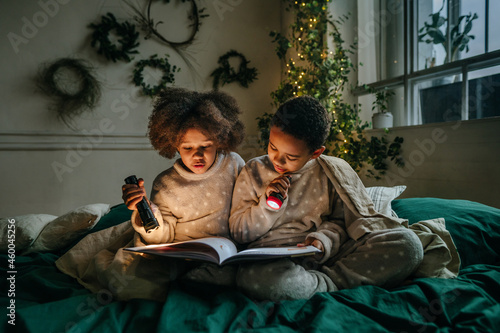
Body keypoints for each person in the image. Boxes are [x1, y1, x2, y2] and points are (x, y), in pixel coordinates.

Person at [229, 95, 427, 301]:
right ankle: (331, 286)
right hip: (271, 261)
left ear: (316, 153)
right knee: (253, 278)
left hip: (323, 257)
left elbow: (342, 222)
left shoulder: (330, 172)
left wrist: (322, 240)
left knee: (408, 244)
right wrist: (266, 207)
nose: (277, 159)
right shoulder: (254, 170)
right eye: (272, 147)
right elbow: (239, 232)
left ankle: (327, 282)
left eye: (292, 157)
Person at [56, 88, 246, 301]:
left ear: (220, 140)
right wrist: (144, 209)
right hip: (181, 255)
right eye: (187, 147)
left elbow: (249, 202)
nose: (197, 154)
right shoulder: (166, 184)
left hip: (228, 251)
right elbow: (161, 236)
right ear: (174, 145)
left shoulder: (234, 164)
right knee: (134, 281)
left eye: (206, 146)